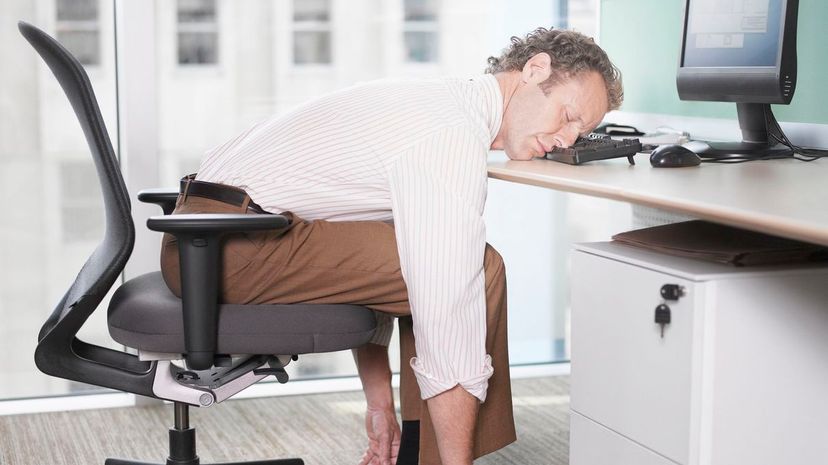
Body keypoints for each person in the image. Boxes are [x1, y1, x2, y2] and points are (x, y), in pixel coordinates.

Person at [160, 27, 622, 465]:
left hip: (208, 238)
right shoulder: (449, 132)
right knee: (471, 272)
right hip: (231, 247)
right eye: (568, 117)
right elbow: (446, 300)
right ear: (536, 69)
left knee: (436, 256)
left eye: (580, 134)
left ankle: (416, 450)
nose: (566, 140)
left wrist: (379, 406)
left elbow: (373, 257)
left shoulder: (439, 101)